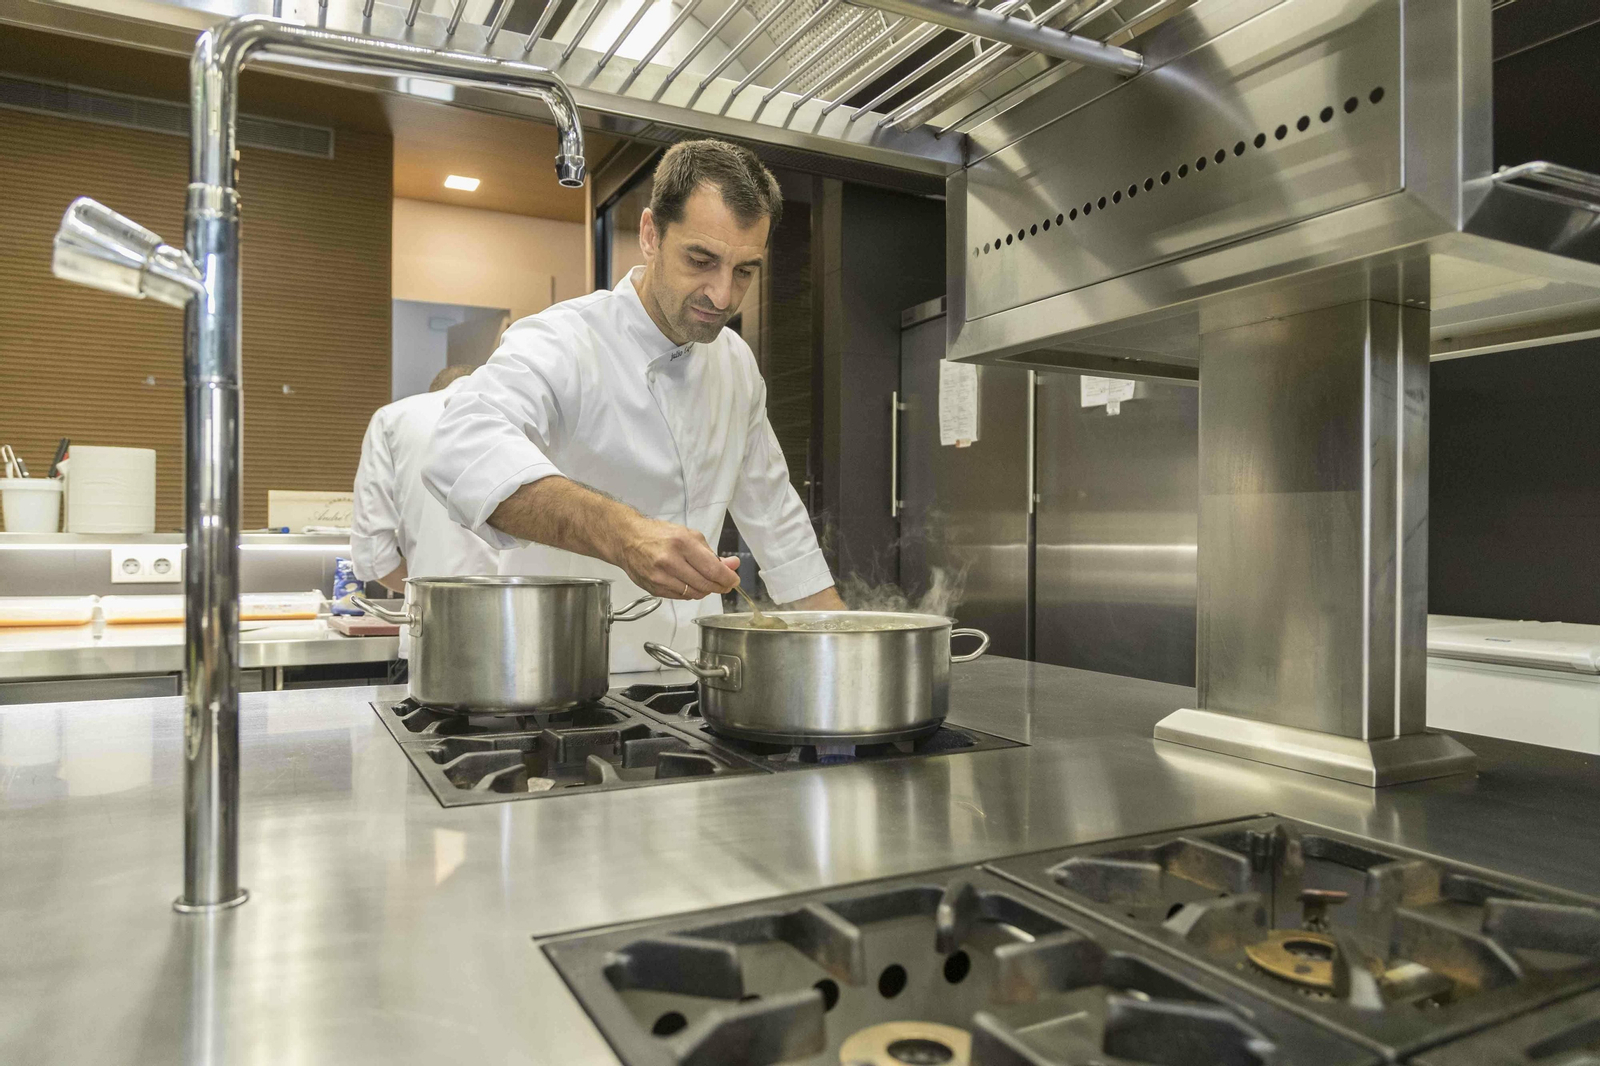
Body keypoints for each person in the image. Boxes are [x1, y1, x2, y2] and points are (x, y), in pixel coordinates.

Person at [425, 139, 845, 672]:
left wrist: (844, 646)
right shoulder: (564, 339)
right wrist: (623, 534)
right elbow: (459, 447)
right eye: (701, 260)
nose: (722, 296)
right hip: (569, 676)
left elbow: (775, 515)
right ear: (650, 234)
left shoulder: (736, 363)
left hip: (696, 680)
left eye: (744, 270)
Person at [352, 364, 500, 656]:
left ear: (435, 390)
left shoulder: (393, 419)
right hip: (526, 638)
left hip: (433, 638)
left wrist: (428, 583)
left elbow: (374, 558)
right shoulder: (532, 418)